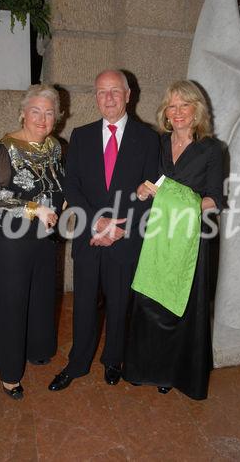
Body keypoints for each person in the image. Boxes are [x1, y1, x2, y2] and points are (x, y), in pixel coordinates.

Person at [48, 69, 160, 391]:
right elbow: (73, 186)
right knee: (83, 302)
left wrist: (122, 227)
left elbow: (151, 189)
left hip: (125, 237)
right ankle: (77, 363)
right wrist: (97, 221)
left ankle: (113, 359)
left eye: (115, 92)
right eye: (101, 92)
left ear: (128, 95)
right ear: (95, 97)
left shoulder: (148, 138)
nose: (108, 98)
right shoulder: (80, 137)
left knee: (119, 303)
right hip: (89, 236)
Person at [122, 80, 223, 400]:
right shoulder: (159, 143)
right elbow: (151, 183)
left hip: (190, 238)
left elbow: (216, 200)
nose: (177, 112)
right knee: (149, 300)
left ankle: (170, 372)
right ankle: (142, 369)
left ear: (197, 110)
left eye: (184, 105)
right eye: (171, 106)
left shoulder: (212, 149)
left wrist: (177, 199)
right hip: (156, 235)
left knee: (180, 306)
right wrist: (142, 189)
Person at [0, 84, 65, 399]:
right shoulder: (6, 148)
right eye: (36, 112)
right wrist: (35, 209)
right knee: (12, 302)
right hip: (11, 240)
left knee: (41, 295)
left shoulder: (56, 146)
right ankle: (9, 374)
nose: (43, 119)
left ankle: (38, 348)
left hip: (44, 237)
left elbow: (61, 181)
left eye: (49, 113)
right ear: (23, 113)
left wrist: (66, 204)